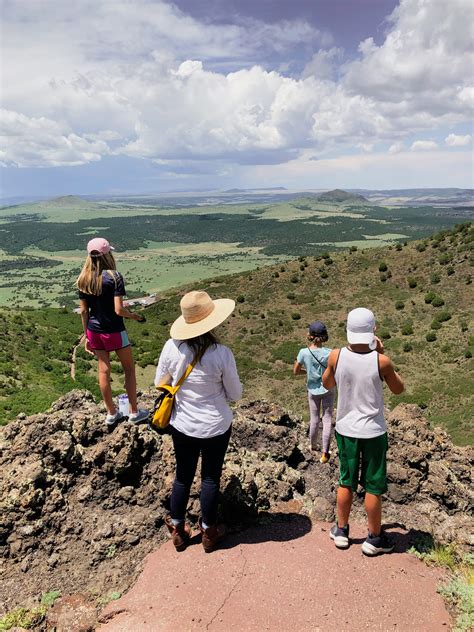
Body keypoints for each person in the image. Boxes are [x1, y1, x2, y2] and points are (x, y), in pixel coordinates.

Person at [155, 290, 242, 553]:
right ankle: (209, 531)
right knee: (210, 478)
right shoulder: (222, 353)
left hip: (183, 424)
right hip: (216, 424)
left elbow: (160, 383)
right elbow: (236, 394)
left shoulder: (172, 347)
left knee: (182, 477)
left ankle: (179, 530)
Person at [322, 307, 404, 556]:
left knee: (345, 481)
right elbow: (398, 388)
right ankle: (374, 539)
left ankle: (342, 531)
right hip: (374, 431)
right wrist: (381, 353)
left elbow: (327, 383)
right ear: (373, 330)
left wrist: (334, 368)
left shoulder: (336, 356)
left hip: (346, 430)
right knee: (373, 486)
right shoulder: (381, 361)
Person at [77, 237, 148, 426]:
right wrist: (134, 316)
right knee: (129, 369)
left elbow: (84, 311)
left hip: (94, 331)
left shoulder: (83, 279)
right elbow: (118, 310)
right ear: (107, 254)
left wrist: (86, 336)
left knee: (103, 371)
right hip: (115, 330)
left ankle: (111, 413)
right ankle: (134, 412)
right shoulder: (115, 277)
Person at [293, 321, 334, 462]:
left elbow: (295, 371)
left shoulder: (303, 353)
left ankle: (313, 446)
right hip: (328, 389)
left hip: (312, 390)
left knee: (314, 419)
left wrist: (307, 372)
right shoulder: (330, 353)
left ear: (310, 336)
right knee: (327, 419)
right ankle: (325, 452)